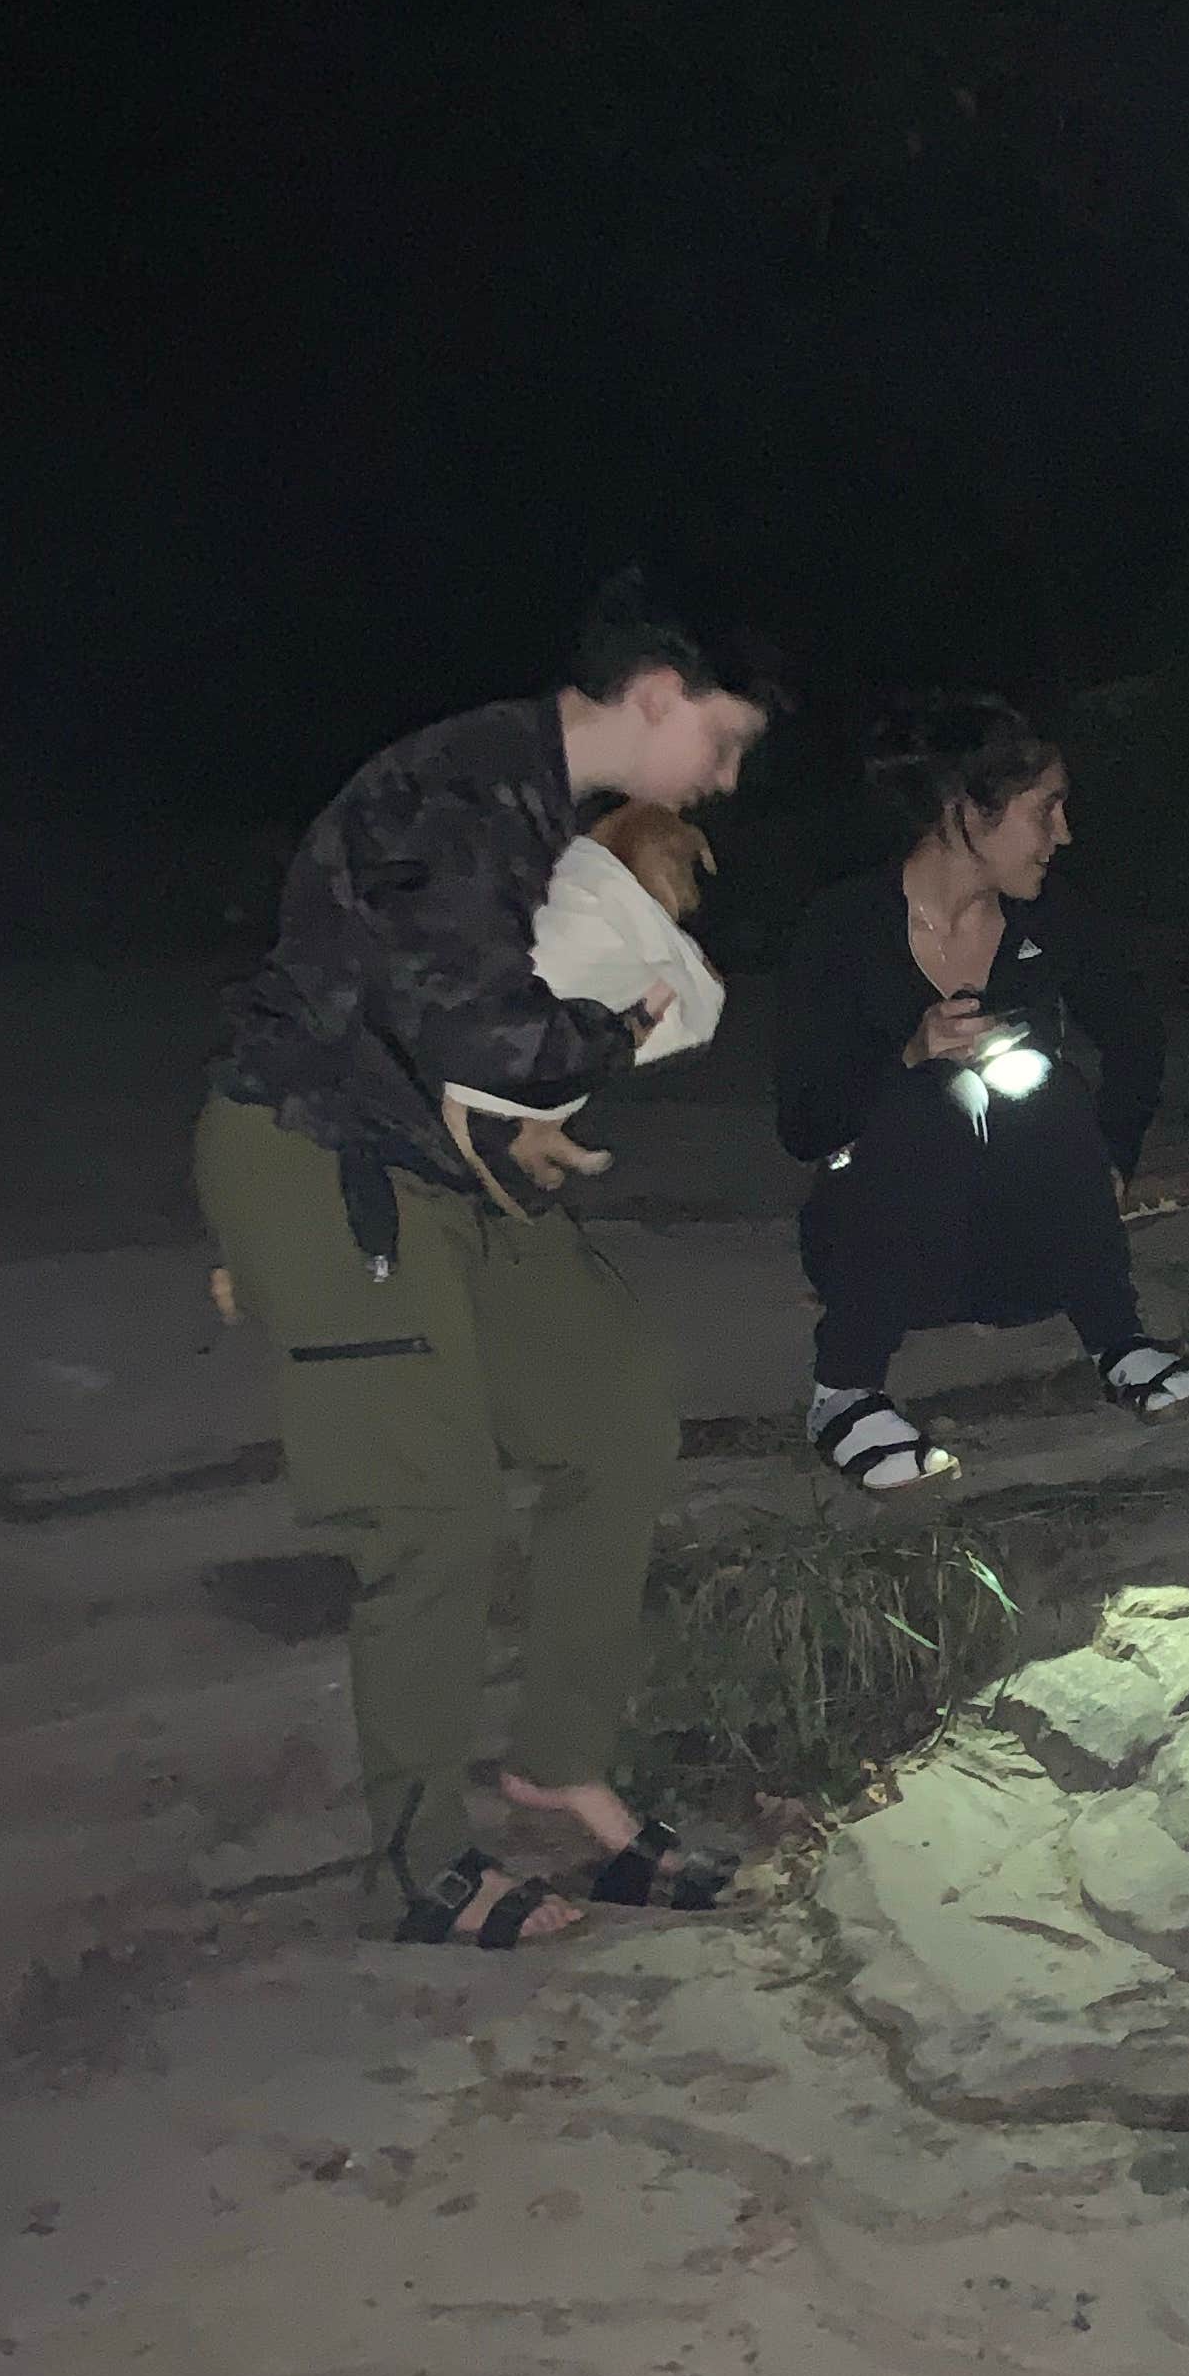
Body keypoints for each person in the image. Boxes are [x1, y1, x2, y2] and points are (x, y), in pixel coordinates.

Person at [195, 573, 777, 1951]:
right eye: (726, 741)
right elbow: (485, 1036)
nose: (729, 779)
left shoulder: (530, 809)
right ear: (656, 699)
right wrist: (627, 1029)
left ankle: (562, 1760)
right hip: (318, 1156)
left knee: (616, 1408)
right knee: (431, 1514)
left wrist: (537, 1126)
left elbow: (471, 1054)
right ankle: (425, 1865)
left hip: (440, 1169)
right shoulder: (455, 796)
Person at [774, 691, 1189, 1488]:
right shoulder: (845, 927)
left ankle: (1118, 1340)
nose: (1064, 834)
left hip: (1029, 1260)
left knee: (1046, 1083)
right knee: (930, 1093)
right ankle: (843, 1391)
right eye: (1045, 810)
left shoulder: (1056, 923)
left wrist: (1111, 1156)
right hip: (889, 1260)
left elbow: (1137, 1039)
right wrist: (907, 1055)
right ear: (968, 810)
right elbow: (804, 1124)